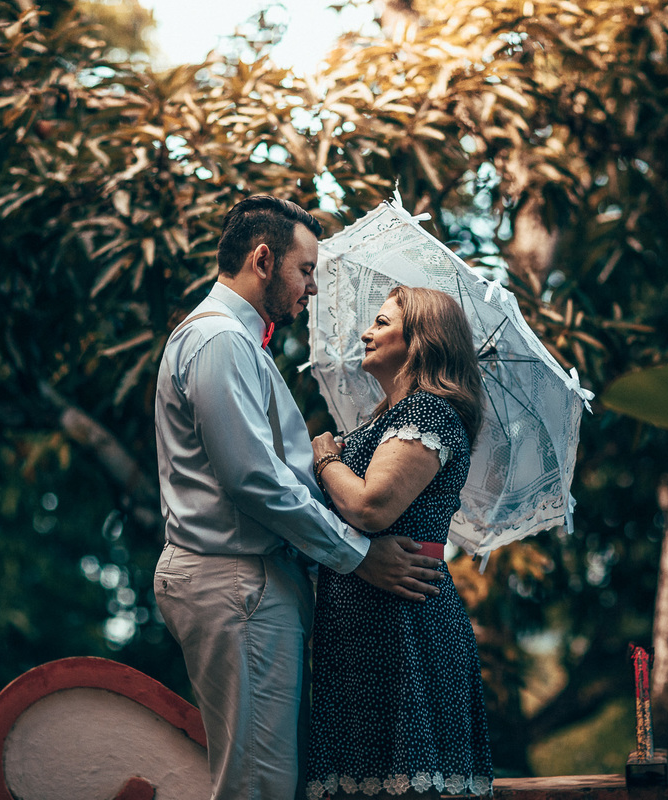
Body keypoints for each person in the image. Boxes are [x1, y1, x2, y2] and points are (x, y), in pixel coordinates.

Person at [152, 196, 445, 800]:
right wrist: (358, 555)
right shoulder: (219, 341)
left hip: (249, 583)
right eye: (305, 270)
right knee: (260, 785)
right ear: (263, 260)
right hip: (238, 583)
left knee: (267, 779)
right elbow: (253, 479)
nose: (311, 287)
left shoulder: (238, 343)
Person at [305, 287, 494, 799]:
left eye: (382, 323)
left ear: (420, 341)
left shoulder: (428, 414)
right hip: (364, 626)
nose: (367, 333)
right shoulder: (385, 419)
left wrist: (325, 457)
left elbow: (371, 507)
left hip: (405, 623)